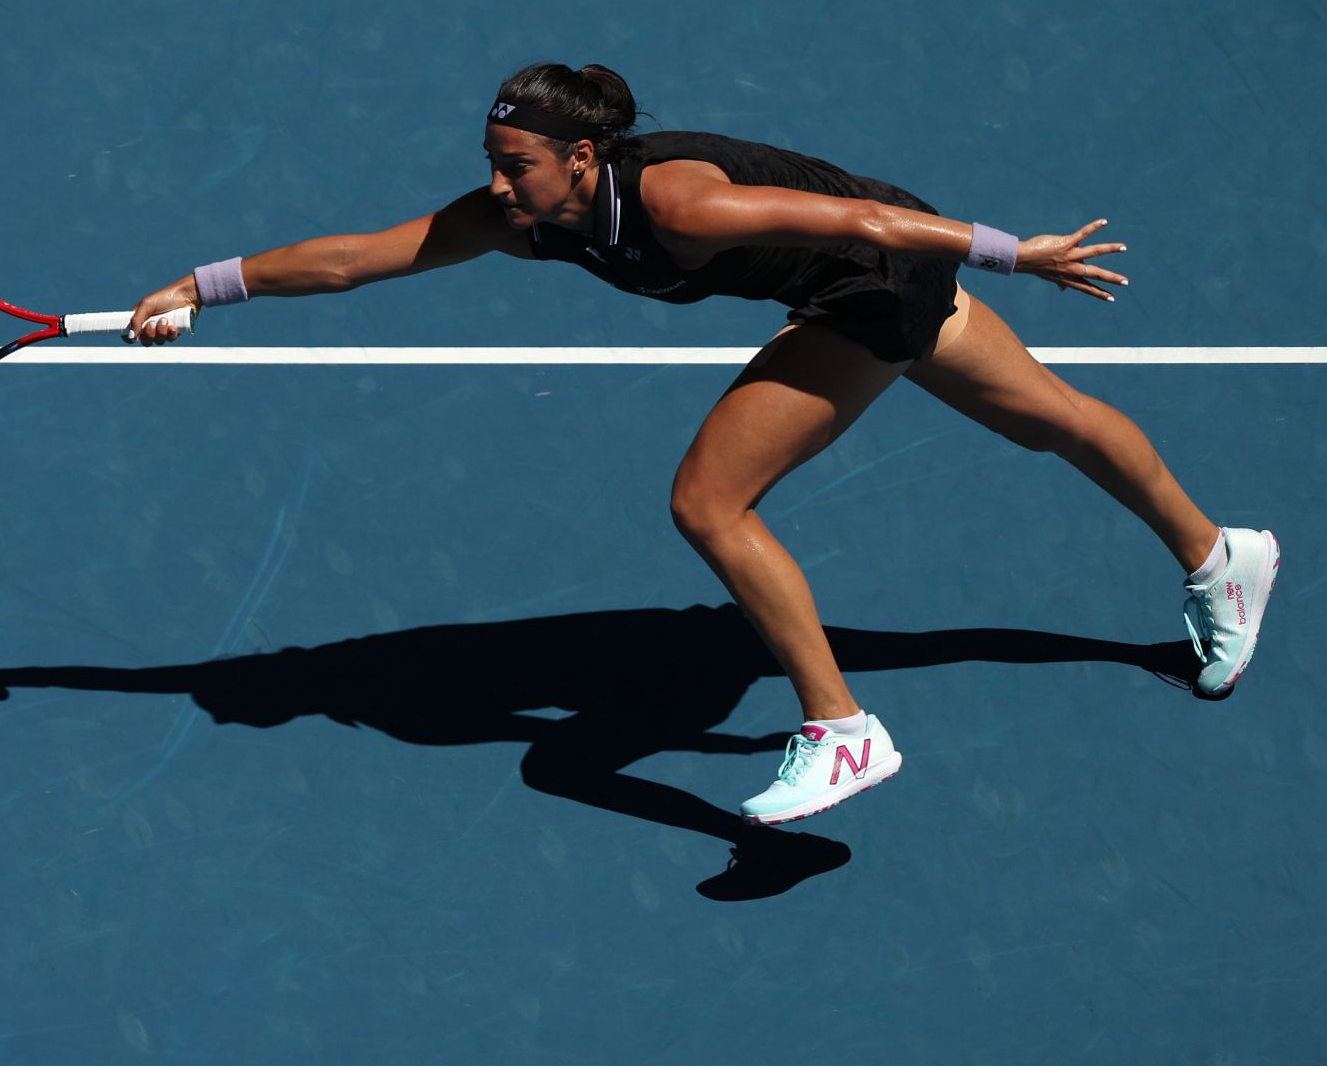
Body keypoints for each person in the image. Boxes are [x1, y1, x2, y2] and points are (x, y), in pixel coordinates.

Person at [126, 62, 1280, 827]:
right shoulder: (523, 220)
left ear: (582, 160)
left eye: (514, 164)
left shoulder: (678, 202)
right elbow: (352, 258)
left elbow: (862, 221)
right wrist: (197, 283)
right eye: (491, 157)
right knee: (1051, 420)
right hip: (864, 284)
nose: (493, 181)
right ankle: (1218, 553)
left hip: (873, 275)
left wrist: (1008, 250)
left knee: (709, 503)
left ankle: (841, 727)